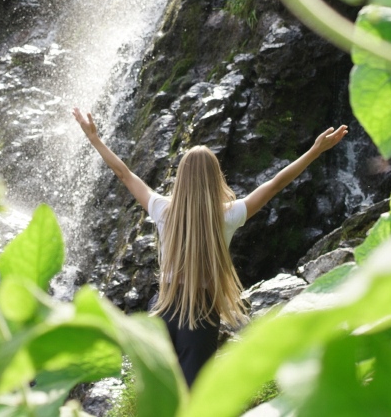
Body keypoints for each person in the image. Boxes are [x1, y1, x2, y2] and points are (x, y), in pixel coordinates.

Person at [72, 107, 348, 387]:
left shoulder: (163, 210)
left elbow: (124, 174)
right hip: (200, 313)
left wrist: (94, 138)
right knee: (193, 395)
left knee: (159, 390)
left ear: (181, 178)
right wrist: (315, 150)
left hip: (163, 307)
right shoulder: (227, 215)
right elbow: (276, 184)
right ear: (216, 177)